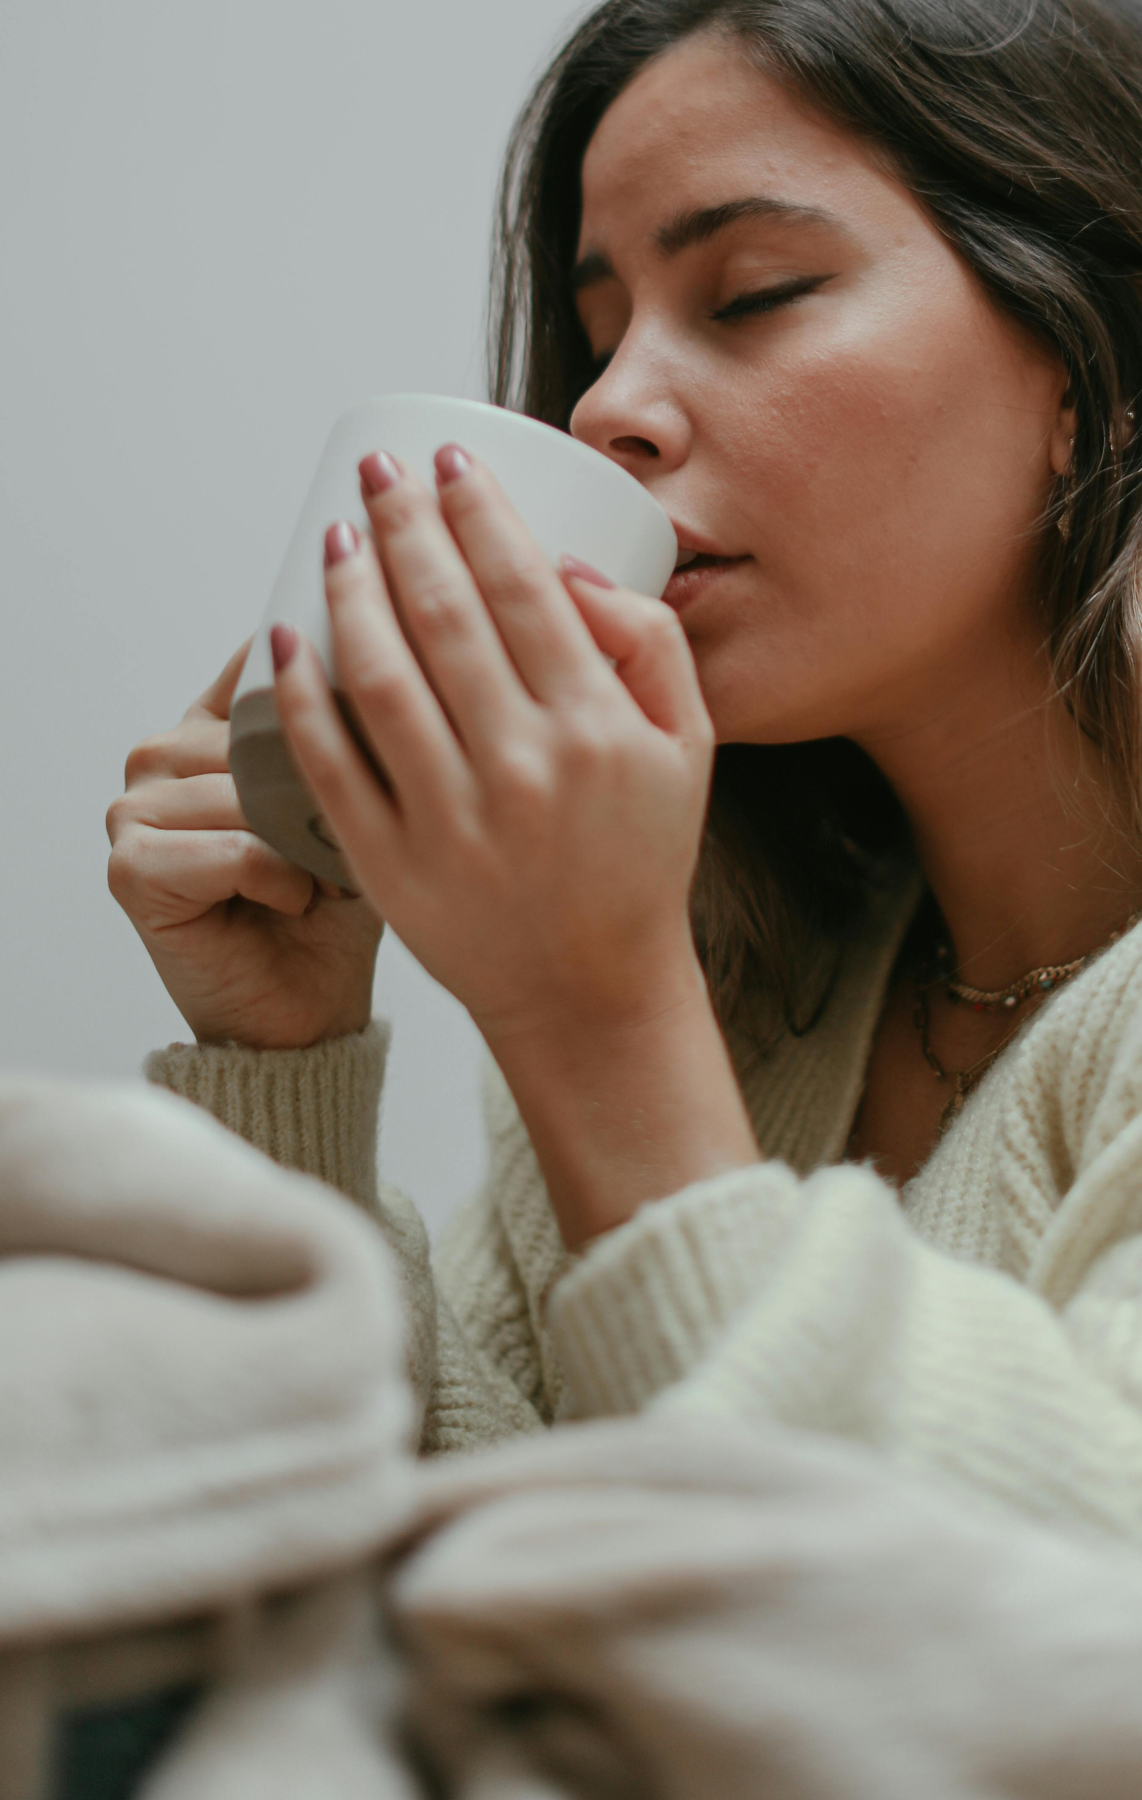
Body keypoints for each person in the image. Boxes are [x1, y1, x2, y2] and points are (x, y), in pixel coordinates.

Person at [108, 0, 1142, 1536]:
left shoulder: (629, 995)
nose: (603, 412)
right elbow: (441, 1596)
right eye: (598, 340)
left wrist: (602, 1027)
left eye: (756, 291)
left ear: (1084, 359)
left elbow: (1037, 1661)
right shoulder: (722, 971)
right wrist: (286, 1065)